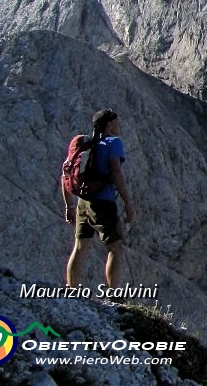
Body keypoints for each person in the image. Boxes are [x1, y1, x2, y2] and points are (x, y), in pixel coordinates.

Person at [64, 109, 136, 288]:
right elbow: (116, 171)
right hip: (103, 203)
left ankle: (72, 290)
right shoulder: (114, 143)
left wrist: (69, 206)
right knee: (115, 248)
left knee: (80, 247)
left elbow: (65, 174)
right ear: (109, 125)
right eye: (116, 123)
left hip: (83, 202)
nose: (119, 126)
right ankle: (113, 294)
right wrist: (128, 202)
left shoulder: (84, 144)